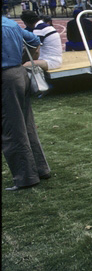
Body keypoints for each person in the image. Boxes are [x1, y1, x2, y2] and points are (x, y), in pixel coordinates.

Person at [2, 15, 50, 191]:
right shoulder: (10, 23)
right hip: (19, 73)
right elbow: (34, 41)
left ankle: (25, 177)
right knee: (26, 124)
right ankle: (40, 168)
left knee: (11, 128)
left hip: (5, 77)